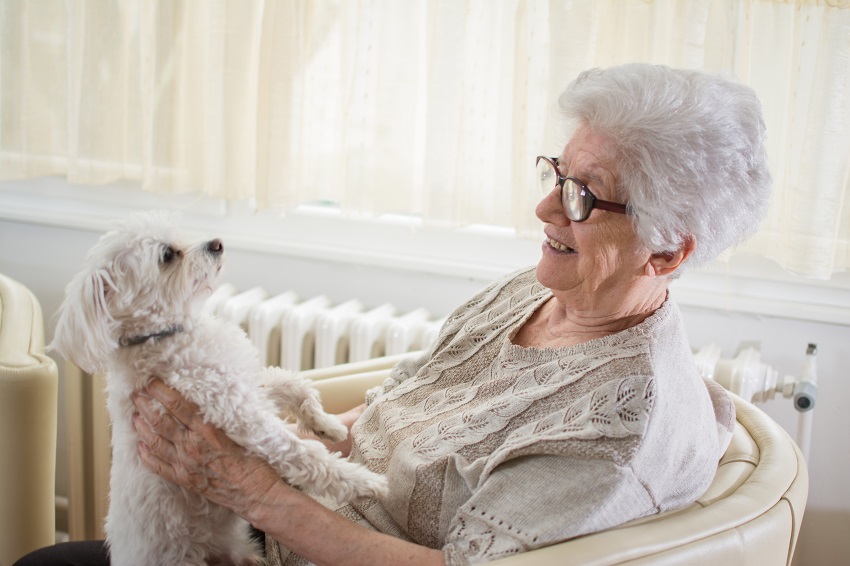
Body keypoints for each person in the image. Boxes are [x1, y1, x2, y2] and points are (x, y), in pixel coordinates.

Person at [16, 62, 770, 566]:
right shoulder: (541, 289)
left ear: (666, 255)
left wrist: (244, 484)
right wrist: (270, 440)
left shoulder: (611, 435)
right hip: (278, 519)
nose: (544, 206)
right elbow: (401, 403)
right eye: (555, 172)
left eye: (583, 195)